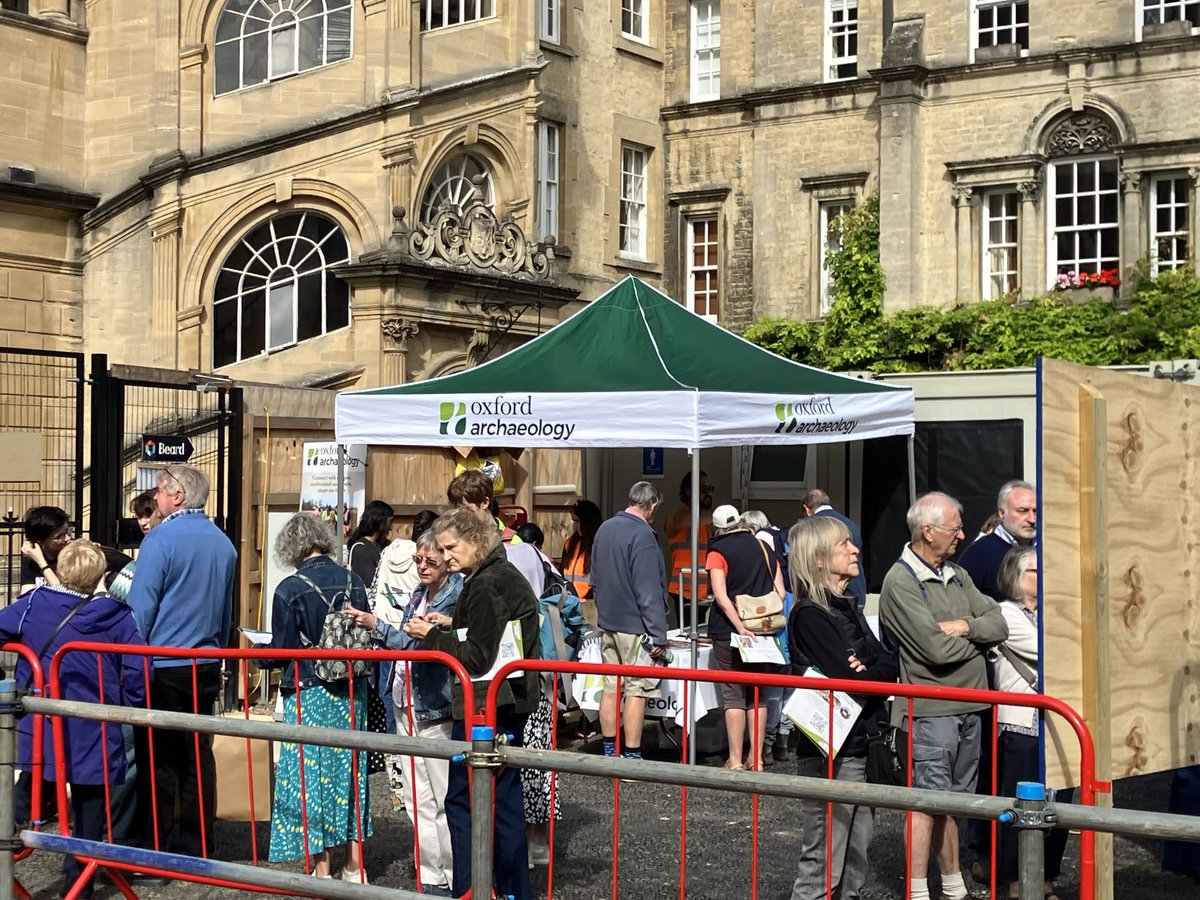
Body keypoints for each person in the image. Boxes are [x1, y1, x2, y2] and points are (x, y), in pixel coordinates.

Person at [405, 507, 540, 900]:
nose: (445, 556)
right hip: (505, 700)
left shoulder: (486, 583)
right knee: (501, 799)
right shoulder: (495, 576)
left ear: (477, 542)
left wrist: (431, 634)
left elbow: (478, 655)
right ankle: (507, 889)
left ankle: (471, 888)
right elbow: (491, 635)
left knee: (468, 798)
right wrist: (452, 626)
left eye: (450, 547)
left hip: (489, 704)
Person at [878, 492, 1008, 900]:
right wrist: (976, 637)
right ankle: (917, 892)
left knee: (957, 803)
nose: (963, 535)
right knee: (927, 803)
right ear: (928, 531)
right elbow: (934, 650)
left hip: (970, 708)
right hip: (932, 713)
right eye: (955, 529)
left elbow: (999, 622)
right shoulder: (900, 582)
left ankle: (953, 887)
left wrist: (964, 628)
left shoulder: (957, 573)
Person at [0, 540, 146, 899]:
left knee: (23, 802)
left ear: (60, 569)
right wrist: (127, 705)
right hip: (95, 729)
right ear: (102, 575)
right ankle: (77, 890)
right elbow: (140, 669)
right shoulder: (118, 615)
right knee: (88, 820)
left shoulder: (35, 604)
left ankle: (8, 872)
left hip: (43, 726)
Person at [125, 464, 237, 858]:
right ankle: (198, 844)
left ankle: (154, 845)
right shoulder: (224, 544)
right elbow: (225, 612)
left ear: (178, 496)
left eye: (158, 491)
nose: (154, 499)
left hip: (161, 662)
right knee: (196, 755)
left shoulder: (160, 541)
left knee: (158, 760)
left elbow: (141, 610)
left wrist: (129, 661)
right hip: (204, 662)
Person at [786, 516, 898, 900]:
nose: (856, 550)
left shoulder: (847, 607)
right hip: (830, 750)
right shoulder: (810, 614)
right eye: (844, 545)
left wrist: (870, 670)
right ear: (818, 559)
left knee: (855, 856)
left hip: (859, 744)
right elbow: (848, 681)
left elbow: (888, 662)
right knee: (824, 857)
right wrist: (869, 672)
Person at [345, 530, 462, 894]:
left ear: (447, 560)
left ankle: (454, 873)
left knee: (442, 796)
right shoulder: (417, 593)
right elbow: (407, 638)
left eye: (431, 561)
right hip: (405, 698)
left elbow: (411, 641)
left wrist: (376, 626)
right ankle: (431, 874)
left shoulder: (455, 595)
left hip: (433, 703)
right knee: (416, 796)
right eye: (419, 561)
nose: (423, 567)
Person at [258, 512, 373, 882]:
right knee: (351, 772)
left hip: (308, 689)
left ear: (292, 548)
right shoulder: (354, 580)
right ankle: (355, 866)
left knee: (310, 778)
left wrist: (261, 650)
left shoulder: (289, 589)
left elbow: (284, 649)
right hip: (351, 688)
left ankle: (321, 867)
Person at [991, 546, 1069, 900]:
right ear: (1015, 578)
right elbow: (1051, 650)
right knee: (1020, 806)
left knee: (1059, 805)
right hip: (1021, 727)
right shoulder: (1004, 614)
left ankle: (1048, 879)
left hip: (1056, 727)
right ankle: (1017, 882)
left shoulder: (1052, 614)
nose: (1043, 575)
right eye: (1035, 571)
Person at [591, 481, 669, 762]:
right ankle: (633, 757)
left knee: (611, 687)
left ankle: (610, 753)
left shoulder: (605, 528)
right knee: (636, 690)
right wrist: (659, 634)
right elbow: (649, 590)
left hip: (609, 622)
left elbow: (594, 579)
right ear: (653, 506)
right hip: (636, 627)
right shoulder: (643, 535)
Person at [705, 504, 785, 771]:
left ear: (717, 527)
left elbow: (720, 596)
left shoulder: (717, 552)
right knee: (757, 695)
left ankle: (736, 760)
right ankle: (758, 759)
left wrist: (740, 626)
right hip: (762, 631)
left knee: (734, 696)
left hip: (729, 632)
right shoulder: (763, 546)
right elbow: (781, 594)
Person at [502, 535, 563, 870]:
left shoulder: (520, 608)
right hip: (544, 688)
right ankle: (537, 841)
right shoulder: (546, 600)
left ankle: (527, 841)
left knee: (523, 763)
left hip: (523, 690)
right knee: (539, 763)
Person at [957, 480, 1037, 602]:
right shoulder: (978, 555)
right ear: (1002, 513)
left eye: (1036, 511)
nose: (1032, 519)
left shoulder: (1049, 550)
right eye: (1023, 511)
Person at [802, 488, 867, 609]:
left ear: (806, 509)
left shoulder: (810, 527)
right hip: (857, 592)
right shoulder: (850, 523)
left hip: (828, 601)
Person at [666, 470, 714, 614]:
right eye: (703, 489)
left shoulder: (708, 521)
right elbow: (687, 519)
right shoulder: (677, 515)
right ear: (689, 491)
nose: (708, 494)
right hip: (685, 589)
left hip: (708, 589)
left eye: (710, 489)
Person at [446, 470, 521, 542]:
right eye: (457, 511)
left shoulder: (512, 542)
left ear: (485, 503)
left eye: (466, 510)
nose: (460, 517)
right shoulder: (452, 540)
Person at [17, 505, 72, 593]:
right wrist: (39, 560)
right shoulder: (31, 560)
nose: (67, 538)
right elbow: (27, 597)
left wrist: (42, 564)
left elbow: (64, 595)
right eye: (59, 536)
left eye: (67, 532)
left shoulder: (73, 557)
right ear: (40, 541)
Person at [560, 499, 602, 606]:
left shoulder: (601, 544)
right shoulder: (569, 544)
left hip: (591, 605)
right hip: (569, 604)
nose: (575, 526)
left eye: (577, 521)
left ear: (588, 521)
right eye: (574, 521)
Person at [347, 499, 395, 586]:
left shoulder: (379, 545)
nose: (391, 527)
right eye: (390, 522)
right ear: (379, 521)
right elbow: (369, 582)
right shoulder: (361, 549)